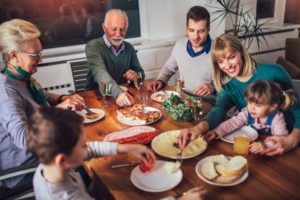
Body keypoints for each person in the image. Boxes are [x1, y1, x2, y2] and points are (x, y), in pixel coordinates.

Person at [27, 107, 206, 200]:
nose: (87, 147)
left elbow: (91, 150)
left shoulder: (48, 164)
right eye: (82, 145)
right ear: (62, 160)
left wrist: (127, 147)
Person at [178, 34, 300, 156]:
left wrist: (292, 140)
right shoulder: (228, 86)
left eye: (231, 57)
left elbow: (298, 108)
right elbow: (218, 110)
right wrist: (197, 129)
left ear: (241, 52)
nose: (227, 66)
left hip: (291, 142)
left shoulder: (274, 71)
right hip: (258, 146)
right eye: (220, 61)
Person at [0, 19, 85, 189]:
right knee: (86, 160)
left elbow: (42, 94)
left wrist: (61, 99)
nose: (40, 59)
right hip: (24, 168)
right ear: (14, 56)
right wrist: (56, 113)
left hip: (42, 152)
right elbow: (23, 138)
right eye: (35, 55)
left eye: (40, 53)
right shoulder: (6, 92)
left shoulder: (21, 78)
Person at [205, 80, 296, 154]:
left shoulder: (277, 118)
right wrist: (217, 132)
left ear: (273, 106)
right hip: (247, 147)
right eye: (249, 102)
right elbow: (233, 122)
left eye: (258, 105)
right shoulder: (248, 112)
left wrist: (265, 145)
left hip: (266, 153)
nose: (251, 107)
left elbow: (281, 139)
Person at [147, 6, 215, 100]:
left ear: (208, 29)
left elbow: (230, 84)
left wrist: (213, 88)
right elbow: (168, 68)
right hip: (182, 100)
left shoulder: (218, 50)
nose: (196, 37)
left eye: (201, 31)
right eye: (191, 30)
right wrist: (160, 80)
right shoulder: (180, 46)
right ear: (186, 28)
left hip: (207, 105)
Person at [85, 9, 144, 106]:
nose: (118, 34)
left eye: (122, 29)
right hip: (97, 98)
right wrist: (119, 93)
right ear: (104, 27)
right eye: (114, 29)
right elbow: (101, 74)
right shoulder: (93, 46)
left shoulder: (129, 48)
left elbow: (141, 73)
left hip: (121, 97)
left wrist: (135, 76)